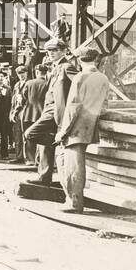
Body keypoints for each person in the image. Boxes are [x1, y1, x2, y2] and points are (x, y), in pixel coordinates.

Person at [56, 48, 111, 212]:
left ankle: (74, 203)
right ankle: (75, 201)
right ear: (96, 59)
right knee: (77, 164)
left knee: (72, 166)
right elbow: (104, 106)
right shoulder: (103, 78)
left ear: (79, 60)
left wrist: (63, 131)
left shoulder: (80, 77)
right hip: (90, 126)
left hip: (76, 128)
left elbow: (73, 107)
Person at [22, 40, 75, 186]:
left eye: (55, 50)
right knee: (44, 147)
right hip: (47, 110)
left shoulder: (67, 67)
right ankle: (44, 178)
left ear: (64, 51)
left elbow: (78, 85)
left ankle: (57, 142)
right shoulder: (54, 68)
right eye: (49, 51)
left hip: (55, 112)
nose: (51, 53)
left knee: (30, 134)